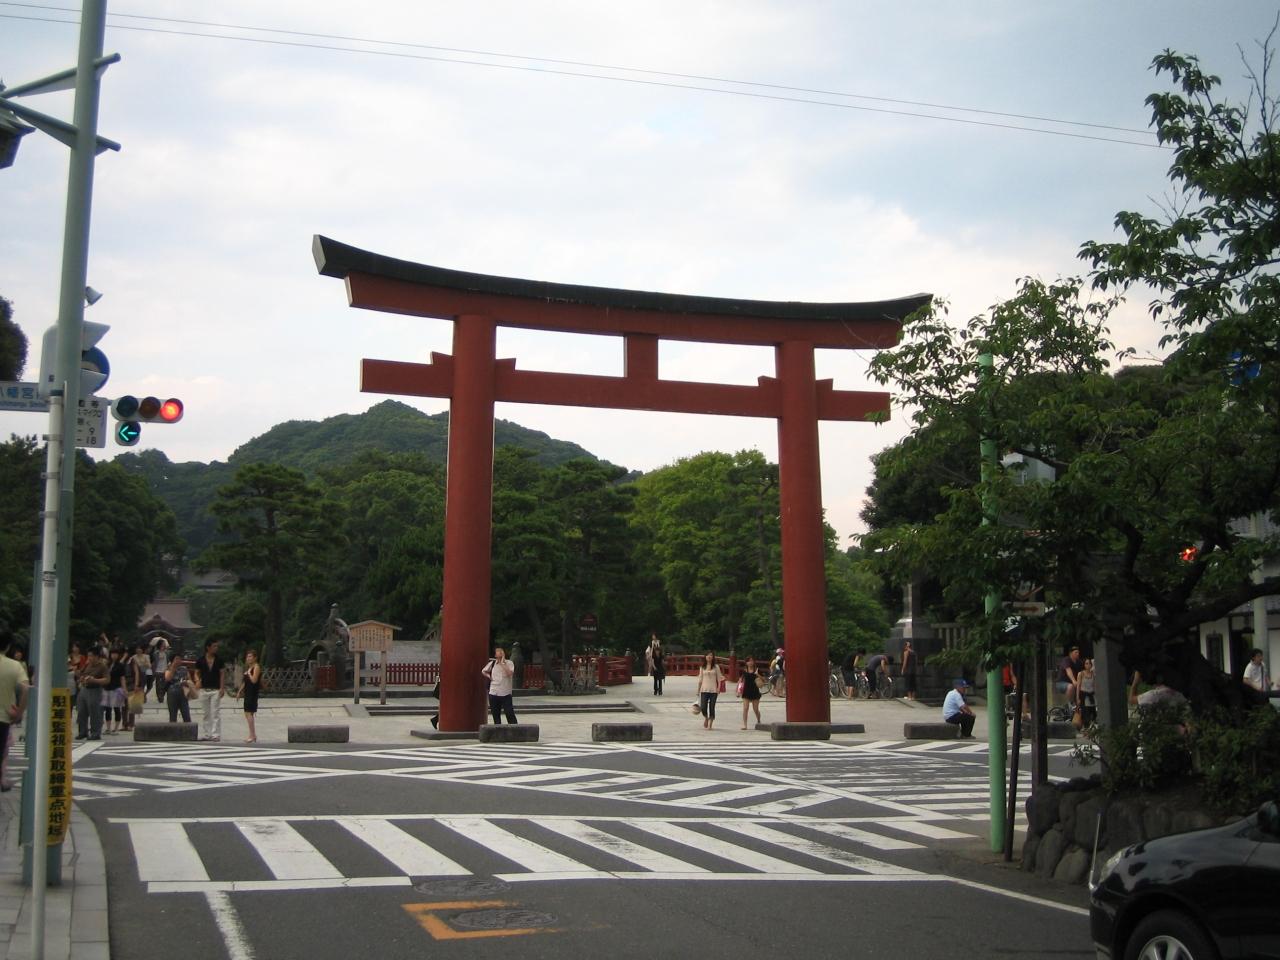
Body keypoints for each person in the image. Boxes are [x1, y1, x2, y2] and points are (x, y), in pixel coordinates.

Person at [0, 627, 30, 792]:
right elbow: (26, 689)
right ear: (8, 646)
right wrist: (19, 712)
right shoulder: (14, 666)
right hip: (3, 719)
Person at [193, 639, 226, 741]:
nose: (216, 648)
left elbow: (222, 674)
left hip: (215, 689)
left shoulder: (219, 660)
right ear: (208, 647)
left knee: (215, 712)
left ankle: (215, 734)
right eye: (214, 646)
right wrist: (197, 680)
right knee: (206, 713)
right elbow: (196, 672)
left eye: (217, 646)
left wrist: (222, 687)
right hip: (204, 689)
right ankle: (207, 734)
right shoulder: (200, 660)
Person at [75, 646, 109, 740]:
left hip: (96, 690)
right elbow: (81, 674)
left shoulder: (102, 666)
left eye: (91, 656)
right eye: (88, 656)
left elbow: (107, 680)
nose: (89, 658)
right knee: (81, 711)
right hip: (84, 689)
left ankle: (95, 733)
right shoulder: (87, 664)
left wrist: (95, 680)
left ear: (97, 656)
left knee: (95, 712)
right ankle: (82, 731)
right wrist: (80, 677)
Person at [482, 647, 517, 724]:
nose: (499, 654)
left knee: (509, 713)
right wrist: (489, 676)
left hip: (506, 693)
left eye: (501, 652)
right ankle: (498, 728)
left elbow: (509, 673)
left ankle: (514, 728)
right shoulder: (492, 663)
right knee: (496, 714)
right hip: (494, 692)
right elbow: (483, 671)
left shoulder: (509, 663)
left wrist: (502, 663)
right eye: (497, 653)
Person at [235, 649, 262, 743]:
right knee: (248, 713)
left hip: (253, 693)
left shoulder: (256, 667)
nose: (248, 658)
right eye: (247, 656)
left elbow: (254, 680)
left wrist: (249, 673)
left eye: (250, 656)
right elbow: (245, 682)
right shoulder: (248, 667)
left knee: (249, 713)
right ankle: (252, 735)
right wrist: (239, 691)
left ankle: (252, 735)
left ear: (255, 658)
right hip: (247, 692)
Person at [696, 651, 724, 730]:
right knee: (703, 707)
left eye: (711, 655)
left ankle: (710, 724)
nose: (709, 656)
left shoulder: (716, 667)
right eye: (707, 655)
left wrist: (718, 688)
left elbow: (719, 679)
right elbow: (700, 679)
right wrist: (698, 690)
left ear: (713, 657)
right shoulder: (702, 667)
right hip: (704, 689)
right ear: (705, 657)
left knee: (712, 707)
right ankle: (706, 717)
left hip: (714, 690)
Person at [103, 647, 126, 735]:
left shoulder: (120, 665)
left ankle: (116, 728)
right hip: (107, 688)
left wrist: (124, 689)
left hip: (117, 688)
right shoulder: (107, 664)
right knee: (108, 709)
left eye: (116, 654)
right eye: (112, 654)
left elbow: (122, 678)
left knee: (117, 709)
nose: (114, 655)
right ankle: (108, 728)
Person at [165, 655, 193, 723]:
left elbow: (190, 680)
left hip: (183, 693)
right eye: (176, 659)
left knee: (186, 715)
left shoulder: (184, 669)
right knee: (173, 716)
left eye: (180, 659)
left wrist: (186, 682)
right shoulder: (168, 668)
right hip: (172, 693)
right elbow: (168, 678)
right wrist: (173, 668)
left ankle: (187, 728)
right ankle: (173, 729)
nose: (178, 660)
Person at [739, 655, 763, 729]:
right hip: (746, 691)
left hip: (755, 691)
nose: (750, 662)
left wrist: (757, 674)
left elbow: (764, 680)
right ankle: (745, 725)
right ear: (746, 663)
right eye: (748, 661)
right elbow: (740, 680)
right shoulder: (744, 670)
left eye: (752, 661)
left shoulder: (757, 670)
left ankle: (758, 720)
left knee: (755, 709)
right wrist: (738, 690)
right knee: (745, 708)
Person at [1077, 657, 1097, 725]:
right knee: (1085, 714)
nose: (1088, 665)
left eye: (1089, 663)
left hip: (1091, 696)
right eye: (1086, 663)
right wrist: (1078, 698)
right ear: (1084, 665)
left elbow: (1094, 686)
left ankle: (1091, 727)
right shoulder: (1080, 674)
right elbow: (1078, 687)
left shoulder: (1093, 674)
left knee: (1093, 714)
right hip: (1084, 696)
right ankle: (1085, 727)